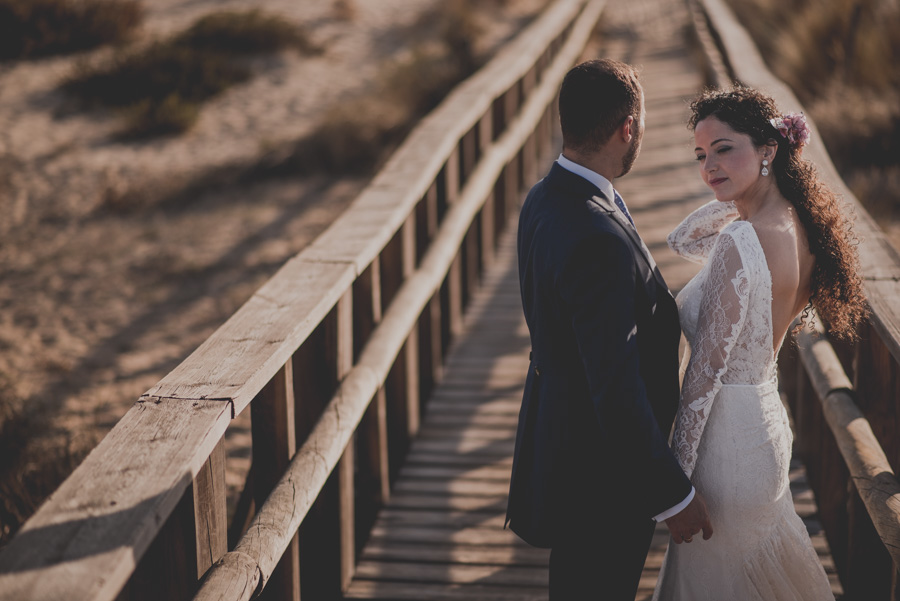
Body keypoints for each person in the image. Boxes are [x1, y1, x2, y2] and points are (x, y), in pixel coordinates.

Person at [506, 58, 713, 600]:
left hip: (564, 453)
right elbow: (615, 389)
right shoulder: (596, 235)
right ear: (629, 128)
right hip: (601, 482)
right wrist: (673, 495)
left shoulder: (544, 198)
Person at [652, 87, 867, 600]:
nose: (709, 167)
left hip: (724, 443)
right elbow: (684, 240)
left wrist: (675, 485)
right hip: (764, 424)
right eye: (701, 155)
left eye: (725, 149)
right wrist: (742, 193)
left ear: (769, 148)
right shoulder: (797, 224)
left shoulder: (741, 240)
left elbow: (704, 374)